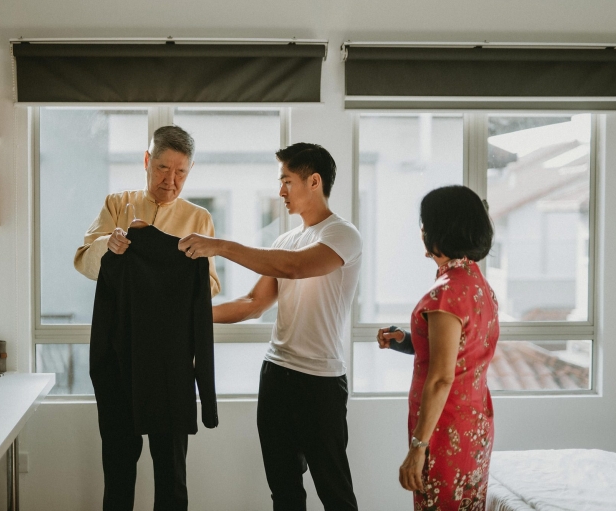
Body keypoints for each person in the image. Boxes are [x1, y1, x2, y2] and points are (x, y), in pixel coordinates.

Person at [178, 142, 361, 511]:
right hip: (276, 376)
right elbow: (252, 304)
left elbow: (294, 267)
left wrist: (221, 247)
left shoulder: (342, 235)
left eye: (287, 181)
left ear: (314, 181)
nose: (281, 192)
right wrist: (186, 315)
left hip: (320, 383)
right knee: (284, 492)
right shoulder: (285, 240)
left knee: (335, 493)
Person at [74, 125, 221, 511]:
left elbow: (210, 286)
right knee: (119, 464)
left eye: (181, 173)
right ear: (146, 161)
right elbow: (85, 261)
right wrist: (111, 247)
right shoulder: (117, 204)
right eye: (161, 169)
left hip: (170, 364)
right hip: (120, 357)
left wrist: (174, 266)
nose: (170, 182)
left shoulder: (199, 218)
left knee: (171, 471)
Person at [377, 185, 499, 511]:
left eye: (424, 222)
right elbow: (457, 353)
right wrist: (406, 339)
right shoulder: (478, 285)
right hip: (473, 423)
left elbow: (442, 377)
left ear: (438, 229)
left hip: (444, 431)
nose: (421, 230)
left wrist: (417, 449)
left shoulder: (447, 292)